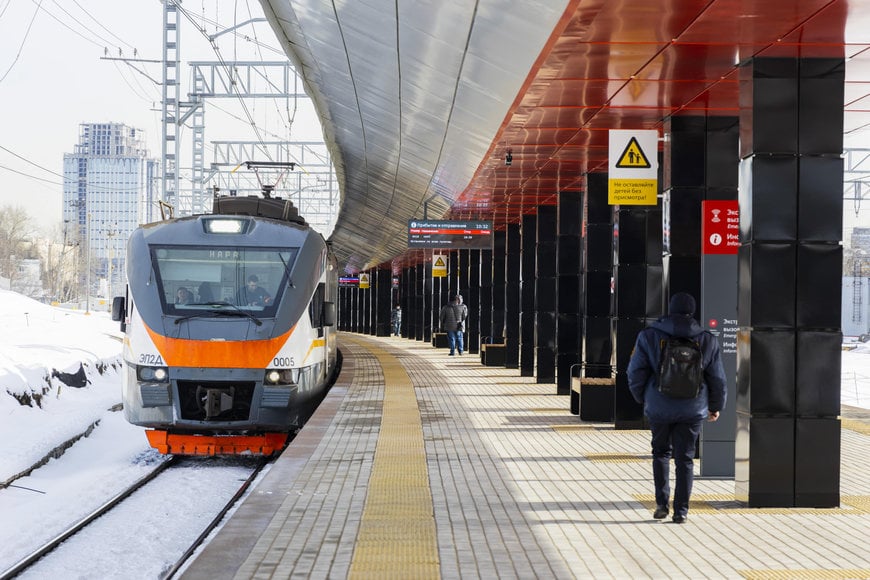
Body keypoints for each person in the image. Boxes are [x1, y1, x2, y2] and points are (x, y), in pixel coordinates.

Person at [627, 292, 727, 524]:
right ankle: (681, 511)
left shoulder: (649, 335)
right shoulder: (707, 339)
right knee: (685, 459)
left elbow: (635, 372)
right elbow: (718, 379)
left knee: (661, 453)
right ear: (692, 312)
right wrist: (715, 406)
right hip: (692, 409)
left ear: (669, 309)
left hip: (659, 406)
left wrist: (643, 398)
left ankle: (662, 504)